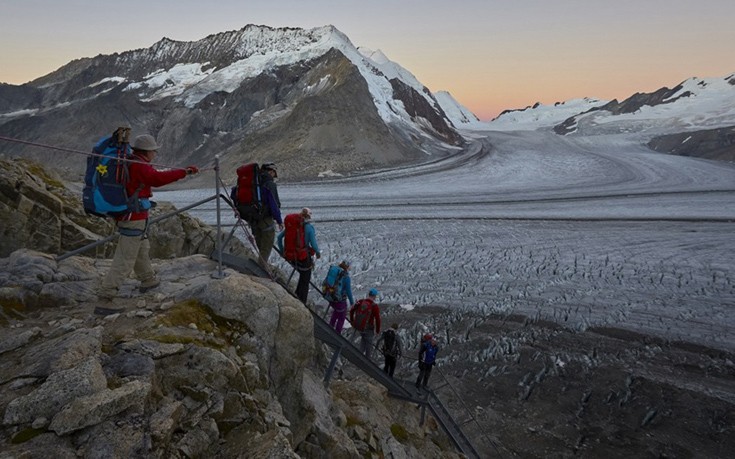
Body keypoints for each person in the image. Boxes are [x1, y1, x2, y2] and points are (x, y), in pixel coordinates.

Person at [98, 134, 198, 303]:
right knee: (126, 256)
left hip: (131, 214)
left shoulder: (131, 162)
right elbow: (157, 179)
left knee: (141, 247)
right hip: (134, 216)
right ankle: (107, 294)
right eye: (154, 151)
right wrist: (183, 172)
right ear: (147, 151)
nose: (155, 155)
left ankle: (147, 278)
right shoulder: (140, 165)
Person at [277, 207, 321, 303]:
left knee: (302, 275)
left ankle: (297, 293)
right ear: (309, 217)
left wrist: (282, 252)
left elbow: (279, 238)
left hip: (291, 256)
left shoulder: (294, 225)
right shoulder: (309, 228)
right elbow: (313, 245)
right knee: (305, 278)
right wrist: (318, 253)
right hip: (302, 258)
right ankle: (302, 301)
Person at [249, 162, 282, 264]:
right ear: (271, 171)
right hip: (265, 219)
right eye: (273, 173)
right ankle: (261, 270)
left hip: (253, 219)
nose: (273, 176)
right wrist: (279, 220)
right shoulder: (269, 184)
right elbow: (274, 204)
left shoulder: (253, 182)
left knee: (261, 246)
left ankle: (260, 265)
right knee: (266, 247)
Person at [349, 288, 381, 359]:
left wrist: (352, 321)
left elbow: (351, 310)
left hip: (359, 327)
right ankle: (367, 363)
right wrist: (377, 330)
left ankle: (358, 359)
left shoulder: (360, 301)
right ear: (374, 296)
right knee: (369, 347)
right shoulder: (374, 306)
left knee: (363, 341)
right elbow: (378, 319)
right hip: (368, 329)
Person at [326, 260, 355, 334]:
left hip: (330, 296)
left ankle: (330, 328)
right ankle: (337, 334)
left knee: (336, 312)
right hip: (339, 299)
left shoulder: (335, 271)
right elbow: (348, 291)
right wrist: (352, 302)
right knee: (342, 317)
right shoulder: (346, 277)